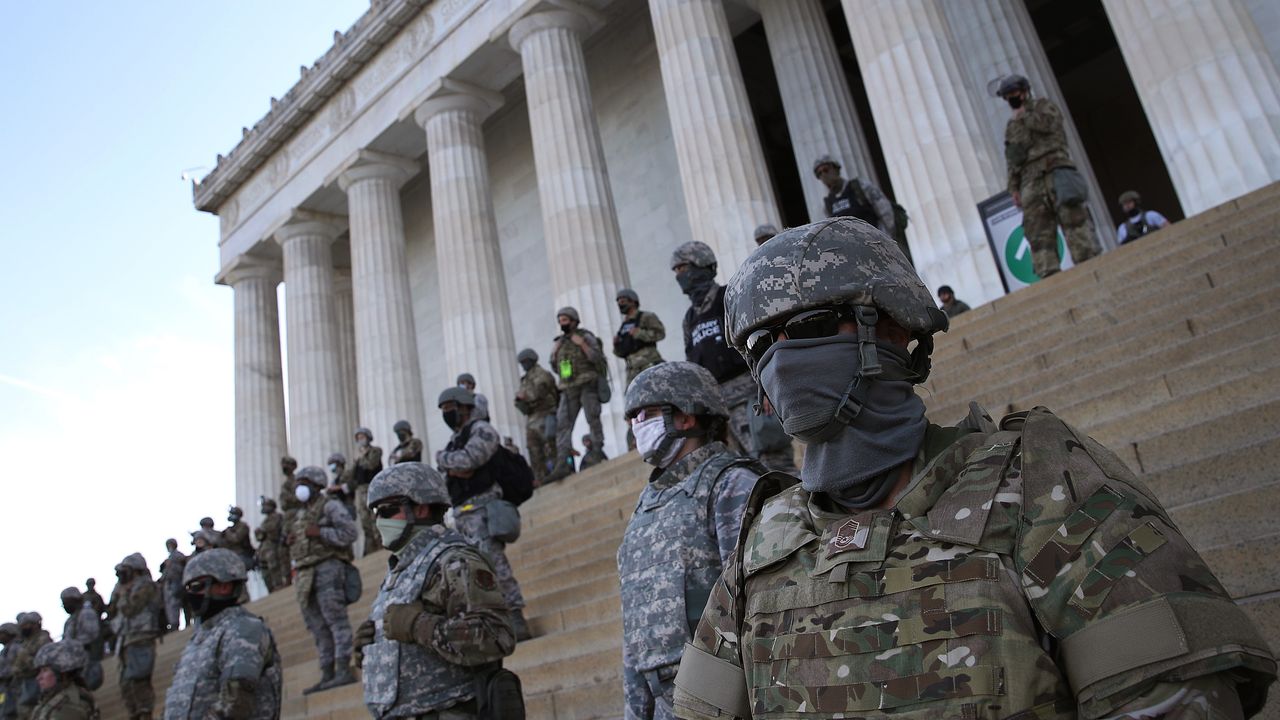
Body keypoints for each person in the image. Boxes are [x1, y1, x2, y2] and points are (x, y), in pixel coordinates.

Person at [670, 218, 1277, 719]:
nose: (781, 359)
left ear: (893, 323)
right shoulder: (767, 536)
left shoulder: (1041, 483)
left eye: (805, 327)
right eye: (759, 346)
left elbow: (1174, 699)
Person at [617, 362, 763, 720]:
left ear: (685, 417)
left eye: (646, 413)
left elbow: (759, 607)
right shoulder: (648, 502)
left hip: (718, 697)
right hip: (660, 699)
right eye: (632, 417)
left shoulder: (732, 485)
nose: (637, 425)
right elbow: (635, 626)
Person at [354, 462, 518, 719]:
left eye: (387, 510)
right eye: (376, 512)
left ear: (420, 507)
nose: (379, 521)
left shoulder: (454, 560)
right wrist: (369, 648)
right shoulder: (401, 569)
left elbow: (496, 636)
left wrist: (418, 624)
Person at [436, 387, 531, 641]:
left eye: (450, 408)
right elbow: (454, 469)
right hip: (462, 514)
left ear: (465, 406)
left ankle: (515, 615)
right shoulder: (455, 440)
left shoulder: (482, 430)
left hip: (484, 510)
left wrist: (445, 459)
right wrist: (451, 461)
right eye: (443, 410)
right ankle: (492, 618)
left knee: (494, 564)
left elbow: (468, 462)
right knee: (469, 571)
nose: (447, 414)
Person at [997, 74, 1100, 278]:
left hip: (1056, 171)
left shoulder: (1044, 107)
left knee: (1074, 220)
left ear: (1025, 92)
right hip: (1030, 182)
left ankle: (1091, 265)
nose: (1012, 99)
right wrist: (1014, 189)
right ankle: (1049, 275)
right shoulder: (1012, 126)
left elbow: (1049, 126)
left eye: (1015, 94)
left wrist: (1025, 115)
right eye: (1008, 96)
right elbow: (1012, 159)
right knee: (1038, 232)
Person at [164, 549, 282, 720]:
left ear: (224, 586)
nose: (191, 595)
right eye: (188, 589)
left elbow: (234, 703)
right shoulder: (199, 639)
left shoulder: (243, 629)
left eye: (196, 587)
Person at [670, 241, 754, 456]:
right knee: (747, 472)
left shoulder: (728, 298)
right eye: (677, 271)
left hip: (748, 397)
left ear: (702, 265)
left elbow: (754, 343)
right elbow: (693, 365)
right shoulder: (690, 318)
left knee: (771, 460)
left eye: (683, 268)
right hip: (719, 406)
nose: (680, 276)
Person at [286, 465, 359, 694]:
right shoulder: (301, 514)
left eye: (304, 482)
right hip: (305, 574)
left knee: (335, 621)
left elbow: (350, 533)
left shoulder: (330, 505)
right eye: (298, 482)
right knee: (317, 627)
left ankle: (343, 669)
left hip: (328, 567)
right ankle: (327, 674)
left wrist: (321, 533)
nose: (300, 487)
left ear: (317, 485)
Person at [547, 306, 605, 481]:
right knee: (562, 424)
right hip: (568, 388)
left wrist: (583, 345)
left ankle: (596, 451)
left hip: (587, 384)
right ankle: (563, 461)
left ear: (573, 320)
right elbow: (555, 368)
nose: (562, 324)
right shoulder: (560, 342)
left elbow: (597, 358)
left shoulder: (585, 336)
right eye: (560, 321)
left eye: (564, 320)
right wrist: (554, 353)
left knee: (592, 418)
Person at [111, 554, 158, 720]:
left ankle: (145, 714)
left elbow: (131, 609)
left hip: (141, 638)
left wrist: (124, 593)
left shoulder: (145, 586)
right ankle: (135, 713)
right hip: (126, 639)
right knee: (126, 685)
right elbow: (112, 611)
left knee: (139, 680)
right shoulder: (123, 588)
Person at [813, 155, 897, 237]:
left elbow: (886, 213)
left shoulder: (860, 187)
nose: (823, 175)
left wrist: (884, 239)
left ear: (836, 169)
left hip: (875, 242)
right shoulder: (828, 204)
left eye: (826, 170)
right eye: (819, 173)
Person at [514, 348, 559, 485]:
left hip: (545, 415)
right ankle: (540, 478)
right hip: (532, 418)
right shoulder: (525, 379)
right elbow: (520, 399)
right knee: (533, 450)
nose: (523, 365)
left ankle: (556, 473)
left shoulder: (541, 374)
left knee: (549, 448)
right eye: (522, 362)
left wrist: (524, 396)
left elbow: (540, 391)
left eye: (525, 361)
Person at [613, 288, 666, 389]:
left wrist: (639, 333)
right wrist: (616, 345)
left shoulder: (646, 316)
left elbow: (660, 334)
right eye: (618, 302)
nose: (620, 304)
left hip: (648, 363)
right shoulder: (624, 324)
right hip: (632, 369)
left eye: (623, 301)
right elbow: (621, 352)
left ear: (632, 301)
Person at [29, 641, 94, 720]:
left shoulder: (67, 708)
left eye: (45, 670)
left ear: (62, 673)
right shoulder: (54, 699)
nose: (38, 677)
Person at [57, 589, 100, 691]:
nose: (65, 606)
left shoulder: (86, 613)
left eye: (66, 602)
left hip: (85, 657)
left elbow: (92, 635)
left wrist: (73, 645)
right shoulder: (70, 620)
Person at [11, 614, 51, 720]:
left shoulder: (43, 639)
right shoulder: (26, 642)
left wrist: (26, 659)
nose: (22, 628)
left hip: (37, 682)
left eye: (25, 625)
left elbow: (43, 663)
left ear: (35, 625)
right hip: (24, 682)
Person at [352, 427, 384, 556]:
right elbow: (354, 476)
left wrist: (362, 457)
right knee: (365, 520)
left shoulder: (375, 451)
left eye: (362, 437)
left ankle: (381, 544)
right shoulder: (358, 457)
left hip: (373, 487)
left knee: (375, 518)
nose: (360, 440)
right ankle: (371, 549)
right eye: (358, 438)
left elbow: (371, 465)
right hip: (361, 491)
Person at [254, 497, 289, 593]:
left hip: (274, 548)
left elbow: (272, 530)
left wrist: (262, 531)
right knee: (266, 573)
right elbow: (260, 536)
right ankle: (272, 588)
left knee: (274, 569)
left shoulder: (277, 517)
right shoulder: (265, 521)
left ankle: (278, 585)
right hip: (265, 550)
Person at [158, 540, 188, 633]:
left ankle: (178, 624)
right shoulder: (170, 559)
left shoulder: (177, 556)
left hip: (177, 582)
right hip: (170, 583)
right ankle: (174, 624)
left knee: (177, 604)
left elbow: (180, 566)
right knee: (172, 605)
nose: (169, 547)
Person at [221, 507, 255, 572]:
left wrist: (227, 532)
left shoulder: (243, 526)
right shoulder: (231, 528)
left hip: (242, 555)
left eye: (232, 514)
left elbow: (236, 539)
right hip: (232, 555)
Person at [277, 455, 301, 532]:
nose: (284, 466)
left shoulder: (297, 481)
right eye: (283, 464)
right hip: (287, 514)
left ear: (293, 466)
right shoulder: (285, 483)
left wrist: (288, 497)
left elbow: (299, 498)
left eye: (287, 464)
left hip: (296, 513)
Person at [1, 622, 19, 720]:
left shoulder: (16, 647)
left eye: (2, 633)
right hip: (4, 689)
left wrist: (4, 675)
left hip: (14, 687)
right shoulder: (4, 650)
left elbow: (17, 667)